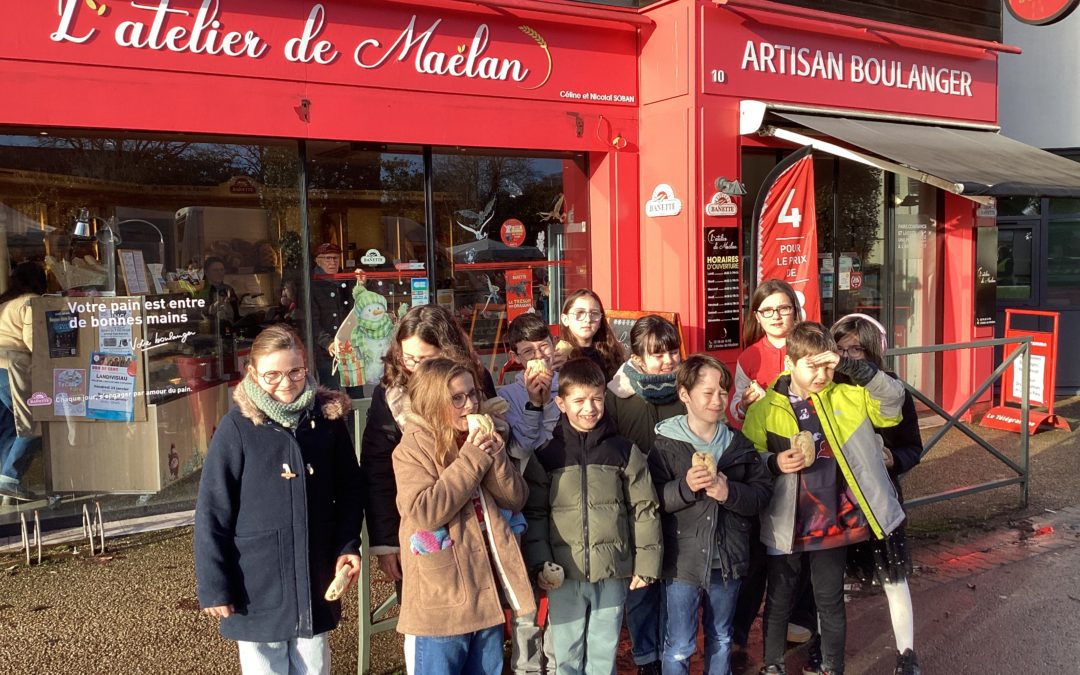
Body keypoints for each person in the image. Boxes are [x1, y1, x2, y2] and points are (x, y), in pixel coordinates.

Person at [194, 324, 364, 675]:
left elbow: (350, 490)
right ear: (254, 374)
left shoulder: (327, 421)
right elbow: (212, 510)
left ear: (307, 368)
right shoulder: (236, 428)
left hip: (314, 574)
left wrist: (348, 545)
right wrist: (214, 585)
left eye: (295, 372)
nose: (285, 383)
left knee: (314, 666)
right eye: (272, 375)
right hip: (254, 582)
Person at [742, 322, 907, 675]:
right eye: (811, 366)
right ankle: (772, 665)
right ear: (790, 363)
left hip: (835, 519)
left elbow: (893, 403)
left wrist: (853, 368)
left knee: (830, 600)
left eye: (827, 365)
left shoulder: (849, 394)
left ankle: (833, 666)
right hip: (786, 520)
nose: (821, 375)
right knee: (779, 600)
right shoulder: (766, 408)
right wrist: (772, 461)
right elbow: (747, 457)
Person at [393, 357, 535, 673]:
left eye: (472, 394)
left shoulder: (482, 437)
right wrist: (472, 458)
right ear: (432, 402)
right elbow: (424, 510)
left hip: (486, 586)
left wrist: (497, 457)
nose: (470, 404)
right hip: (444, 596)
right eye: (457, 398)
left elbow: (516, 499)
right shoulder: (412, 447)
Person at [523, 358, 662, 675]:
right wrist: (541, 562)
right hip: (563, 575)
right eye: (579, 400)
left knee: (603, 654)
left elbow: (644, 509)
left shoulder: (624, 451)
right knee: (566, 653)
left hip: (612, 572)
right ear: (560, 402)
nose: (590, 407)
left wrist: (646, 563)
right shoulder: (547, 455)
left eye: (597, 398)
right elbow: (535, 514)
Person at [648, 355, 773, 675]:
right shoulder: (665, 445)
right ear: (684, 395)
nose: (718, 400)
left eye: (723, 391)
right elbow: (651, 500)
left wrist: (729, 492)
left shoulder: (739, 444)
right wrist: (685, 487)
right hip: (681, 562)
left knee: (720, 637)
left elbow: (761, 495)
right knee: (679, 645)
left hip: (727, 561)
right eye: (708, 392)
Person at [361, 305, 499, 588]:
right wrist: (386, 543)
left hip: (479, 520)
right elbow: (377, 471)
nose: (416, 367)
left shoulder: (476, 380)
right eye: (409, 358)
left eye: (427, 359)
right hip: (422, 528)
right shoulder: (390, 394)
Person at [831, 313, 922, 675]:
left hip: (878, 500)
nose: (850, 357)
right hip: (835, 499)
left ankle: (907, 654)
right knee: (830, 581)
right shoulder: (825, 391)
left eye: (858, 349)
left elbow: (913, 446)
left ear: (873, 353)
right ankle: (827, 649)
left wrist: (894, 459)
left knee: (893, 577)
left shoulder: (892, 389)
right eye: (842, 349)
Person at [728, 279, 810, 657]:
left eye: (784, 308)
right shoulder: (750, 357)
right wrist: (744, 404)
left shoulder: (811, 344)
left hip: (809, 464)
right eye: (768, 310)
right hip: (765, 464)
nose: (777, 316)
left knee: (806, 549)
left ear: (795, 309)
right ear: (757, 317)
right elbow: (733, 413)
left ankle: (798, 623)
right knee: (758, 554)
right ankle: (739, 631)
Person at [605, 314, 686, 674]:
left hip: (682, 500)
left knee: (675, 584)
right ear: (636, 357)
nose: (668, 360)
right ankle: (645, 657)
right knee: (640, 586)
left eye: (672, 351)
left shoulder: (687, 389)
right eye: (658, 354)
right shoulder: (617, 395)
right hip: (635, 504)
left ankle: (671, 651)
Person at [499, 312, 562, 674]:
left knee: (561, 593)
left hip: (564, 499)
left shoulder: (572, 386)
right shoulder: (505, 395)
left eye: (544, 346)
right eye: (527, 351)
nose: (538, 356)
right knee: (526, 591)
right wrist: (537, 404)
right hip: (525, 503)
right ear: (516, 357)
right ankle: (526, 665)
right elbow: (520, 450)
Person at [0, 261, 46, 502]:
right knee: (33, 422)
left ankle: (5, 481)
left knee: (9, 427)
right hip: (13, 367)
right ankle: (10, 477)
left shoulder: (5, 301)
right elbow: (32, 340)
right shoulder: (31, 301)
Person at [309, 243, 354, 389]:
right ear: (318, 260)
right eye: (328, 258)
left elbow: (356, 310)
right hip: (325, 352)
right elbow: (312, 322)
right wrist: (328, 343)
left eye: (336, 258)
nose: (333, 262)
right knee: (331, 393)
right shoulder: (311, 284)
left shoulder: (346, 281)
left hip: (350, 346)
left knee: (355, 391)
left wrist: (360, 283)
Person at [558, 290, 625, 381]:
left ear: (600, 321)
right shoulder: (558, 355)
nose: (588, 319)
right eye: (580, 313)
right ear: (565, 319)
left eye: (594, 313)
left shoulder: (612, 354)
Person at [194, 256, 240, 323]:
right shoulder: (200, 290)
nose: (219, 273)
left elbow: (236, 313)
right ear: (206, 272)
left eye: (222, 270)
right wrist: (213, 308)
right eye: (215, 270)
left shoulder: (228, 289)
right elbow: (197, 313)